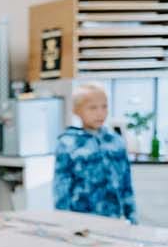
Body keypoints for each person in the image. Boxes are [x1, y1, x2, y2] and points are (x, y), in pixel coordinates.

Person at [52, 83, 136, 221]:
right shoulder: (68, 143)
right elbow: (61, 189)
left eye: (104, 106)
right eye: (92, 108)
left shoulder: (116, 142)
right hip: (81, 222)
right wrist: (64, 223)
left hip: (113, 219)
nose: (100, 113)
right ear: (77, 110)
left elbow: (127, 186)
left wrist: (132, 219)